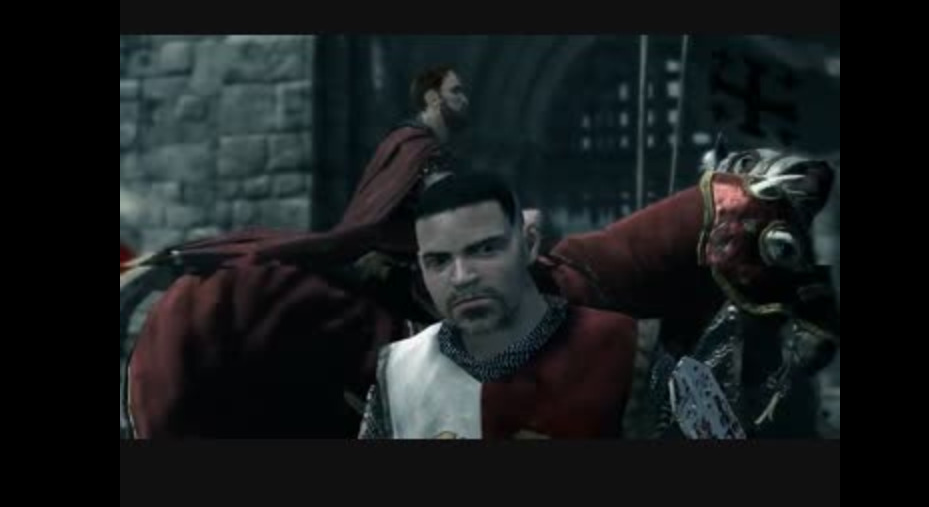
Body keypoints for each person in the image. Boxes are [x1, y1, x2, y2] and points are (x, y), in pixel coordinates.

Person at [123, 65, 471, 438]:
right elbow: (420, 216)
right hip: (401, 271)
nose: (464, 99)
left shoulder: (408, 143)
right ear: (432, 97)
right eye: (456, 91)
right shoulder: (422, 151)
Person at [358, 173, 649, 439]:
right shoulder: (401, 372)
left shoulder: (622, 350)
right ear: (422, 267)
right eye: (440, 261)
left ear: (529, 245)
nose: (461, 278)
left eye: (485, 249)